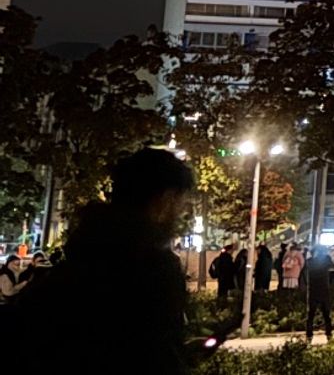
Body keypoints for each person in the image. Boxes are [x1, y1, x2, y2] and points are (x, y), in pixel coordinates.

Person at [0, 147, 197, 371]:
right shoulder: (154, 268)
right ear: (166, 200)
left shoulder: (76, 261)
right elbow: (156, 356)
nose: (182, 212)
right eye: (181, 203)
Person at [303, 243, 334, 343]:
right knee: (326, 315)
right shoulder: (326, 260)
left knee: (310, 315)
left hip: (313, 290)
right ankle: (329, 335)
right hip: (324, 290)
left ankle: (309, 336)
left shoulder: (310, 261)